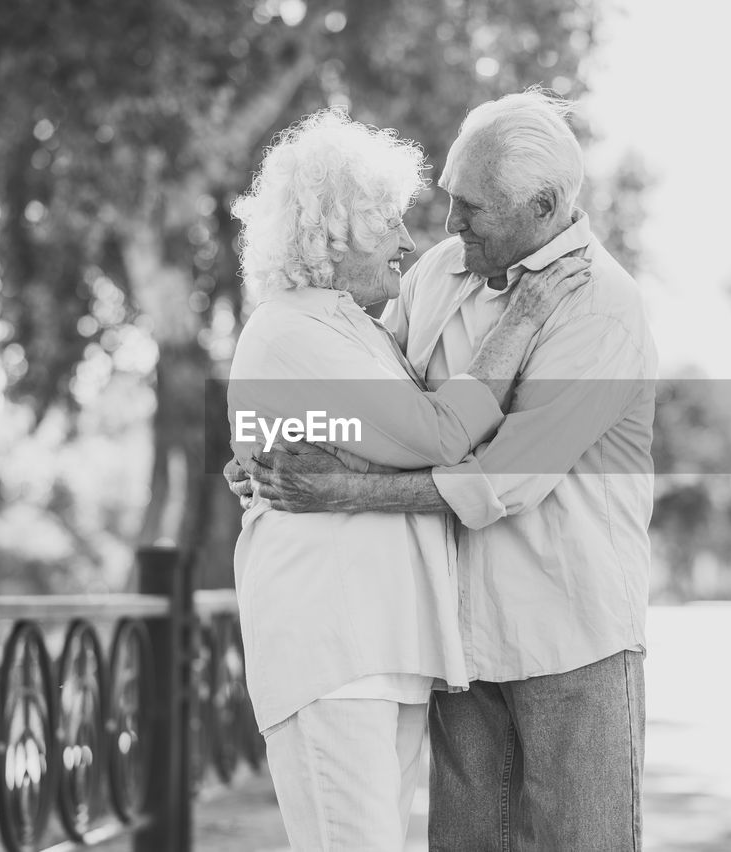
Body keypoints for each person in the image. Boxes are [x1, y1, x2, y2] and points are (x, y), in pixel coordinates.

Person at [231, 90, 658, 851]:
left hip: (570, 639)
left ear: (543, 205)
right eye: (451, 200)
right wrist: (274, 448)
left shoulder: (601, 308)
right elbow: (375, 400)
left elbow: (502, 477)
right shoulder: (436, 275)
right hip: (459, 649)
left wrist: (343, 490)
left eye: (474, 208)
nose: (451, 222)